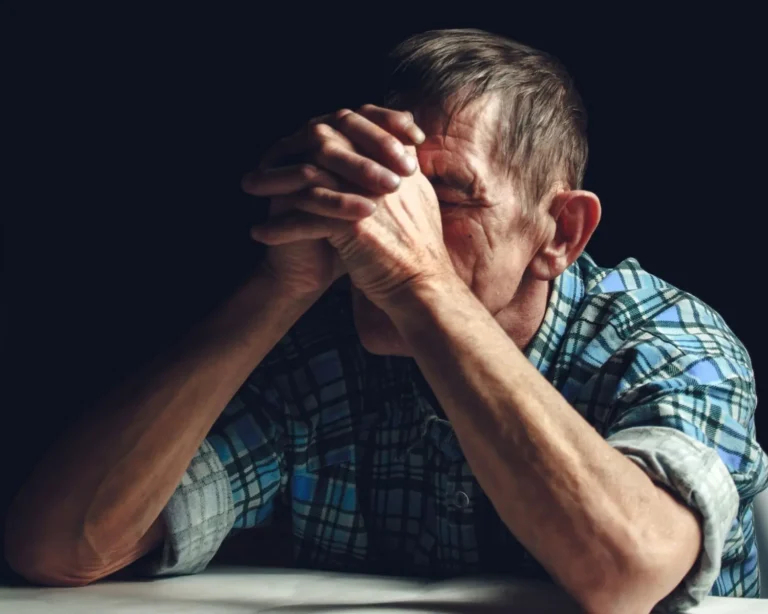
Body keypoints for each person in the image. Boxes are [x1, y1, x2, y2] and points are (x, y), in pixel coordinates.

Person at [5, 28, 766, 613]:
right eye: (380, 188)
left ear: (560, 233)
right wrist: (279, 290)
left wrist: (418, 279)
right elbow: (61, 549)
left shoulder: (666, 339)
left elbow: (628, 571)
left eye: (451, 194)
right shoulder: (314, 351)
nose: (387, 224)